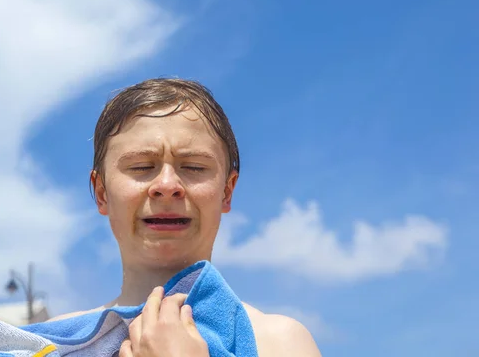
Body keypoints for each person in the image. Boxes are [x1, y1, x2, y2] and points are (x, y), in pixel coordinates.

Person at [50, 78, 322, 357]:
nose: (167, 186)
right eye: (142, 166)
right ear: (102, 193)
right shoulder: (48, 346)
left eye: (193, 167)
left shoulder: (282, 344)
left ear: (226, 192)